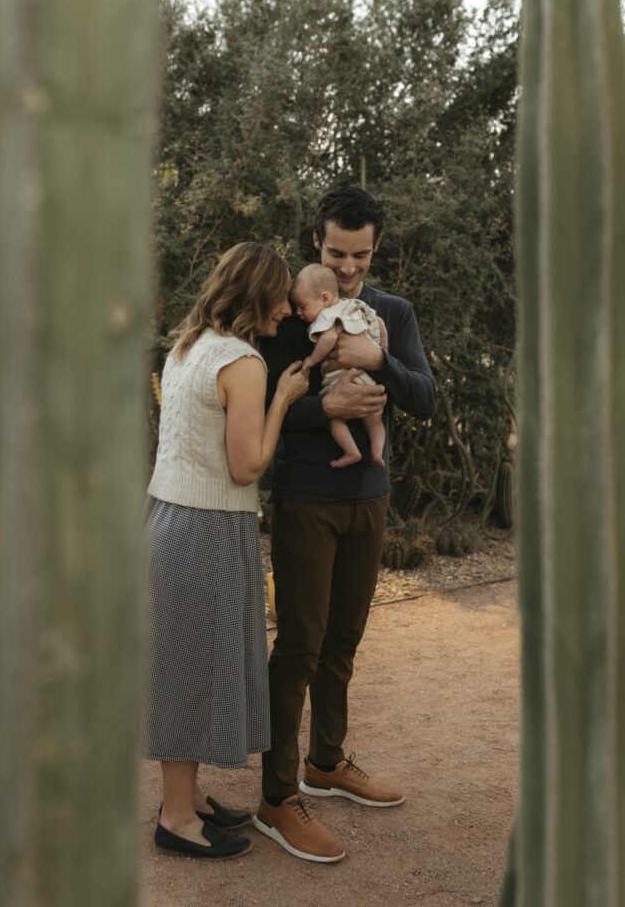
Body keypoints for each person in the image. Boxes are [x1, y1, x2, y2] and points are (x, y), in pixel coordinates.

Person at [254, 186, 437, 864]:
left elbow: (423, 397)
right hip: (304, 496)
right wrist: (324, 399)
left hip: (371, 495)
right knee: (298, 645)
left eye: (360, 254)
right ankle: (276, 796)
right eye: (337, 252)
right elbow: (267, 401)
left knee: (344, 640)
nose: (349, 265)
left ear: (375, 248)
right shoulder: (289, 314)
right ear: (315, 242)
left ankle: (325, 762)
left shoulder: (391, 312)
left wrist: (378, 362)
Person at [142, 242, 308, 861]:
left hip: (171, 520)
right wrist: (284, 403)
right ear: (255, 294)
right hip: (208, 530)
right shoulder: (244, 362)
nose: (289, 309)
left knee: (188, 662)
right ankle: (177, 818)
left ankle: (188, 799)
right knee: (193, 669)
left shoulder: (187, 346)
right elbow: (247, 466)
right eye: (282, 297)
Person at [292, 262, 388, 468]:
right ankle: (378, 452)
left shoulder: (327, 315)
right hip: (367, 378)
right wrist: (383, 356)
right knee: (374, 420)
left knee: (335, 421)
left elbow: (329, 338)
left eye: (302, 306)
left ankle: (352, 452)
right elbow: (379, 325)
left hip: (340, 380)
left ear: (324, 298)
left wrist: (313, 359)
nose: (299, 313)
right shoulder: (353, 306)